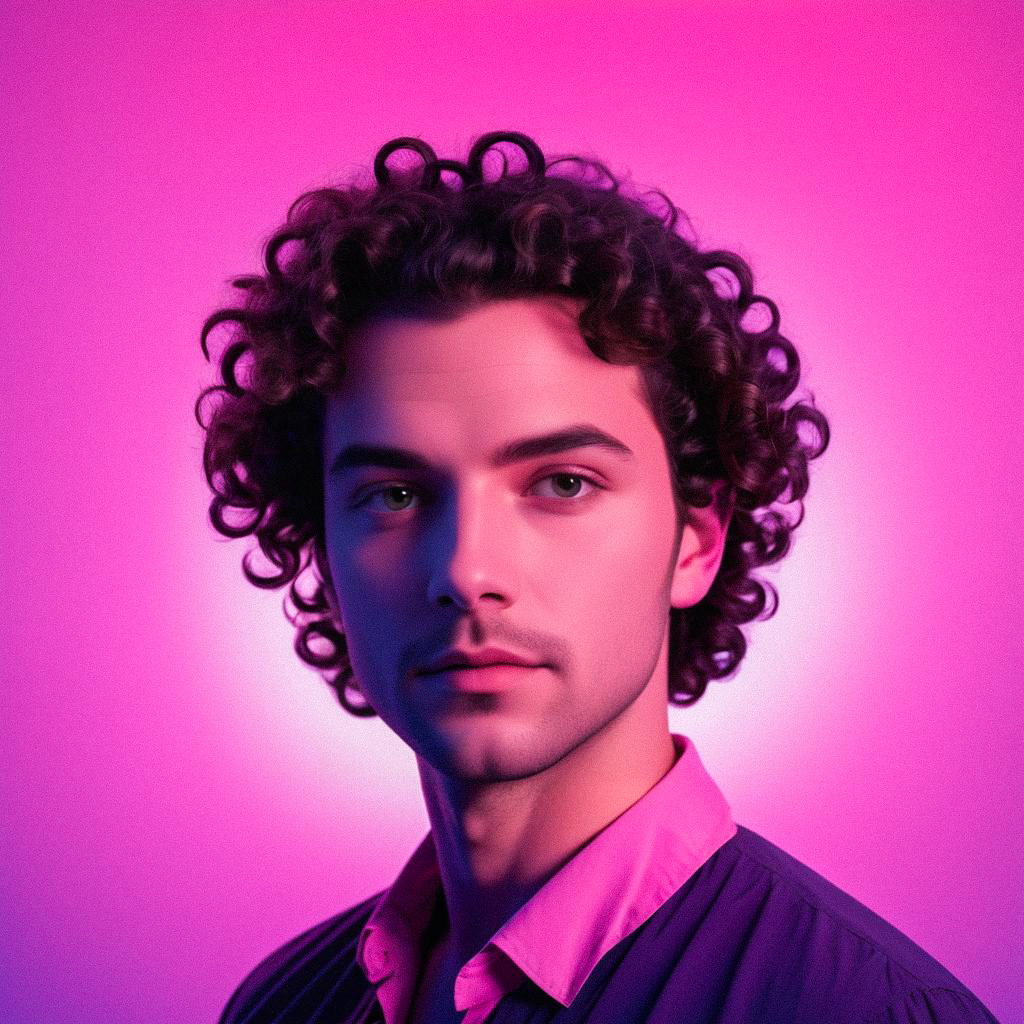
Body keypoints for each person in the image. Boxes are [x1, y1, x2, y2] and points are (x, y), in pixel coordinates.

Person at [197, 131, 1000, 1024]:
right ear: (323, 548)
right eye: (393, 493)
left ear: (696, 538)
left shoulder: (859, 1013)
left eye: (563, 483)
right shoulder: (280, 1007)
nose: (466, 572)